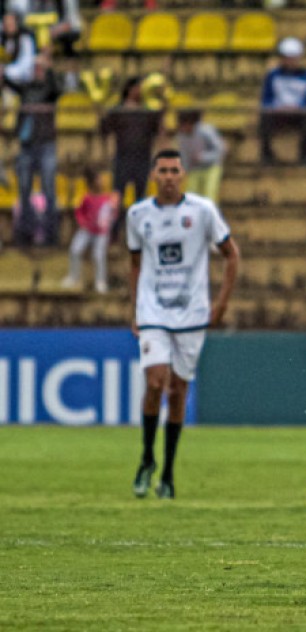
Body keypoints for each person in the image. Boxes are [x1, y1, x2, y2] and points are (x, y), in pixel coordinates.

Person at [128, 149, 240, 500]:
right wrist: (134, 308)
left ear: (184, 175)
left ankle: (168, 473)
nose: (169, 176)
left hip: (192, 314)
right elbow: (134, 263)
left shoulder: (203, 212)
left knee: (178, 391)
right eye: (163, 170)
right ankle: (147, 457)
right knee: (155, 381)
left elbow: (232, 255)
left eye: (175, 170)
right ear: (153, 175)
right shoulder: (137, 214)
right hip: (153, 312)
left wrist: (220, 304)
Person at [102, 76, 164, 240]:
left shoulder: (148, 112)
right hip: (122, 158)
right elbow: (104, 128)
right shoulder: (119, 111)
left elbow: (158, 129)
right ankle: (114, 232)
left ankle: (138, 232)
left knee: (140, 198)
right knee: (117, 196)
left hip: (142, 158)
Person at [9, 54, 60, 247]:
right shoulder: (26, 89)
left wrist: (50, 69)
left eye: (41, 68)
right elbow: (11, 84)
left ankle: (50, 234)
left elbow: (56, 90)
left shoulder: (49, 89)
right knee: (23, 189)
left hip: (46, 144)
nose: (37, 71)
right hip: (27, 146)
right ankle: (26, 232)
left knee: (49, 189)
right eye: (36, 68)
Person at [61, 166, 118, 293]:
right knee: (75, 249)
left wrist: (110, 219)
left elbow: (113, 215)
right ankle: (73, 276)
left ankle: (100, 281)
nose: (101, 182)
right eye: (98, 180)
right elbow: (79, 212)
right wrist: (83, 223)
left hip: (102, 233)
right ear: (92, 183)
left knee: (98, 255)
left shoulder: (108, 198)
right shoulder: (86, 198)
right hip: (87, 230)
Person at [259, 37, 306, 165]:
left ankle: (304, 157)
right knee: (264, 120)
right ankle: (267, 155)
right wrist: (274, 107)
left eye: (293, 58)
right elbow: (266, 98)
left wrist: (298, 107)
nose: (290, 61)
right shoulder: (273, 75)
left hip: (299, 113)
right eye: (287, 57)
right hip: (277, 112)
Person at [176, 109, 225, 203]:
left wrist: (203, 157)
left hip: (211, 168)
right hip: (194, 169)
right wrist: (184, 170)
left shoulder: (206, 131)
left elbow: (220, 150)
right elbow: (184, 154)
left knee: (209, 194)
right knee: (190, 195)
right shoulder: (181, 136)